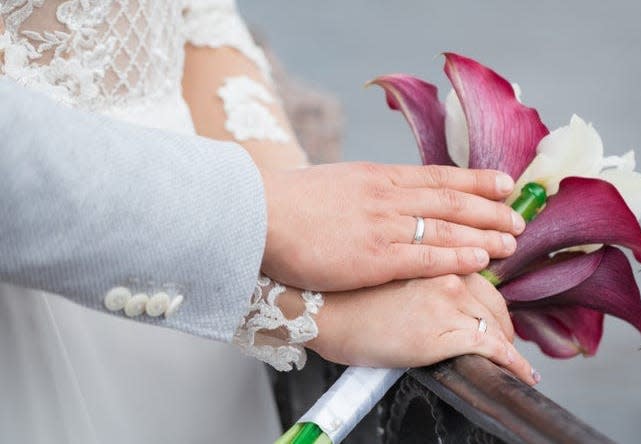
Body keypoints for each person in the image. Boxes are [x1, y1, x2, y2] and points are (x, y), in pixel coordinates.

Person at [0, 1, 535, 442]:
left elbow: (192, 18)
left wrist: (331, 245)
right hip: (44, 325)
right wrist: (292, 283)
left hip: (215, 338)